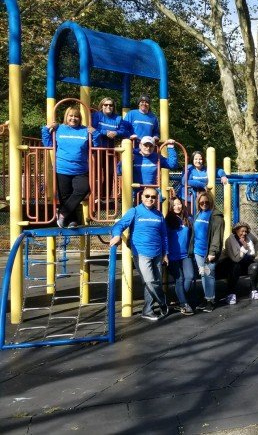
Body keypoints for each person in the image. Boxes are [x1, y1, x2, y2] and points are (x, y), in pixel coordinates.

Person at [109, 187, 169, 321]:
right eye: (147, 196)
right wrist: (117, 235)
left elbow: (164, 235)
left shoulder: (159, 214)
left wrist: (166, 253)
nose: (150, 199)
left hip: (158, 253)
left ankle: (147, 310)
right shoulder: (135, 211)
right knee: (149, 281)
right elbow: (119, 225)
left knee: (155, 282)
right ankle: (163, 302)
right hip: (141, 253)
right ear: (142, 197)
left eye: (153, 197)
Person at [41, 106, 100, 228]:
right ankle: (72, 221)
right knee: (65, 197)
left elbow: (96, 145)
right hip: (62, 169)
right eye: (71, 116)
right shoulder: (59, 129)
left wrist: (95, 133)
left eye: (76, 116)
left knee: (83, 189)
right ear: (66, 117)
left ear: (80, 118)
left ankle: (62, 214)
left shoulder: (85, 130)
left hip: (80, 169)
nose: (73, 118)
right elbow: (48, 143)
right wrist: (46, 129)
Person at [191, 191, 225, 313]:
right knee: (203, 274)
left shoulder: (216, 216)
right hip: (198, 251)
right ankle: (207, 299)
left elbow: (217, 236)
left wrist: (212, 252)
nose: (204, 204)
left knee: (209, 273)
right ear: (198, 203)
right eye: (201, 203)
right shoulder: (198, 214)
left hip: (209, 252)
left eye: (206, 202)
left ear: (211, 202)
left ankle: (211, 300)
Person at [165, 197, 195, 315]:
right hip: (172, 255)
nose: (177, 206)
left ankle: (181, 300)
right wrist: (165, 254)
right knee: (180, 278)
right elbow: (165, 238)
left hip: (185, 254)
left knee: (190, 276)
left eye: (179, 204)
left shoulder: (187, 219)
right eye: (174, 205)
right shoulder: (168, 220)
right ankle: (184, 304)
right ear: (171, 207)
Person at [222, 221, 258, 304]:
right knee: (235, 267)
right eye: (242, 231)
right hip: (230, 262)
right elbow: (235, 259)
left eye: (246, 231)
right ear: (236, 231)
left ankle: (253, 290)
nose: (244, 233)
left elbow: (256, 242)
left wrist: (255, 253)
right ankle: (231, 293)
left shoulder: (249, 237)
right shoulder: (230, 240)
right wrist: (244, 247)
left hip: (245, 262)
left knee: (255, 267)